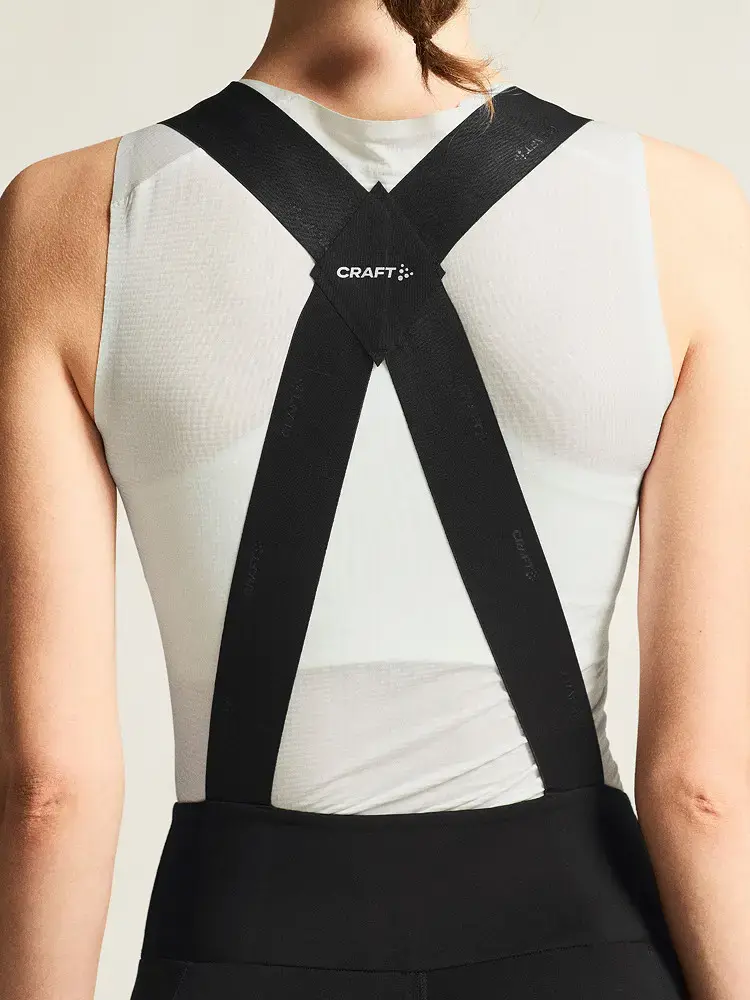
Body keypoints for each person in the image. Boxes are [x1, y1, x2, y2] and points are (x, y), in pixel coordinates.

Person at [1, 1, 749, 998]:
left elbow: (50, 793)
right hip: (585, 947)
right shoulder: (680, 210)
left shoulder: (70, 213)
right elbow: (703, 789)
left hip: (235, 942)